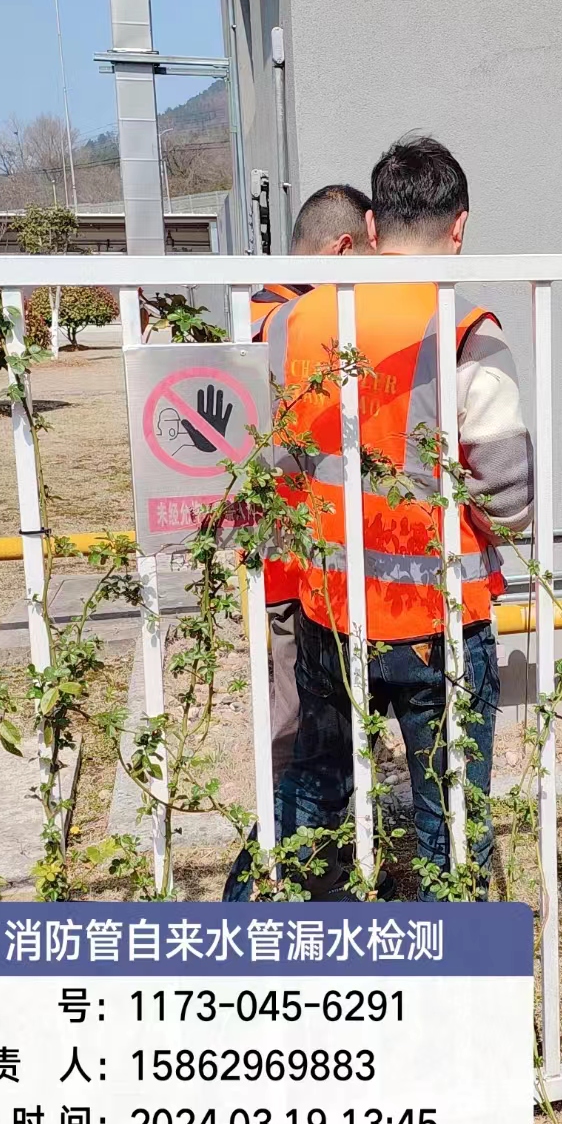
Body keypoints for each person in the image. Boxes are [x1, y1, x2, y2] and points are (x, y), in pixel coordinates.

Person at [235, 136, 533, 900]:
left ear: (372, 227)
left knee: (315, 786)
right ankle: (449, 956)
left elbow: (276, 463)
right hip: (439, 617)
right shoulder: (465, 328)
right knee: (448, 815)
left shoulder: (294, 324)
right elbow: (509, 497)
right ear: (459, 227)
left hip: (329, 609)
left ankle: (252, 922)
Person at [250, 187, 371, 824]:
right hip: (297, 566)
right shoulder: (291, 324)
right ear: (343, 249)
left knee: (308, 714)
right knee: (300, 721)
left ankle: (307, 837)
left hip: (299, 559)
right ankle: (293, 845)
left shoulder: (261, 312)